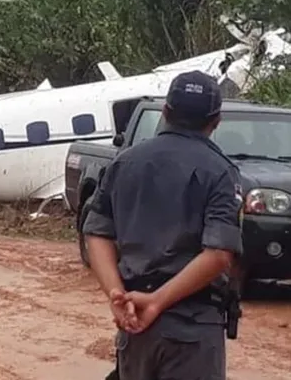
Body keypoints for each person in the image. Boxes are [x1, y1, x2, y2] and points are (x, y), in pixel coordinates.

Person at [83, 71, 243, 380]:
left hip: (135, 325)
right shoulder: (221, 172)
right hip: (192, 330)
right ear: (216, 120)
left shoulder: (125, 162)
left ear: (166, 112)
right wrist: (157, 301)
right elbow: (219, 254)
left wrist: (117, 295)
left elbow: (96, 233)